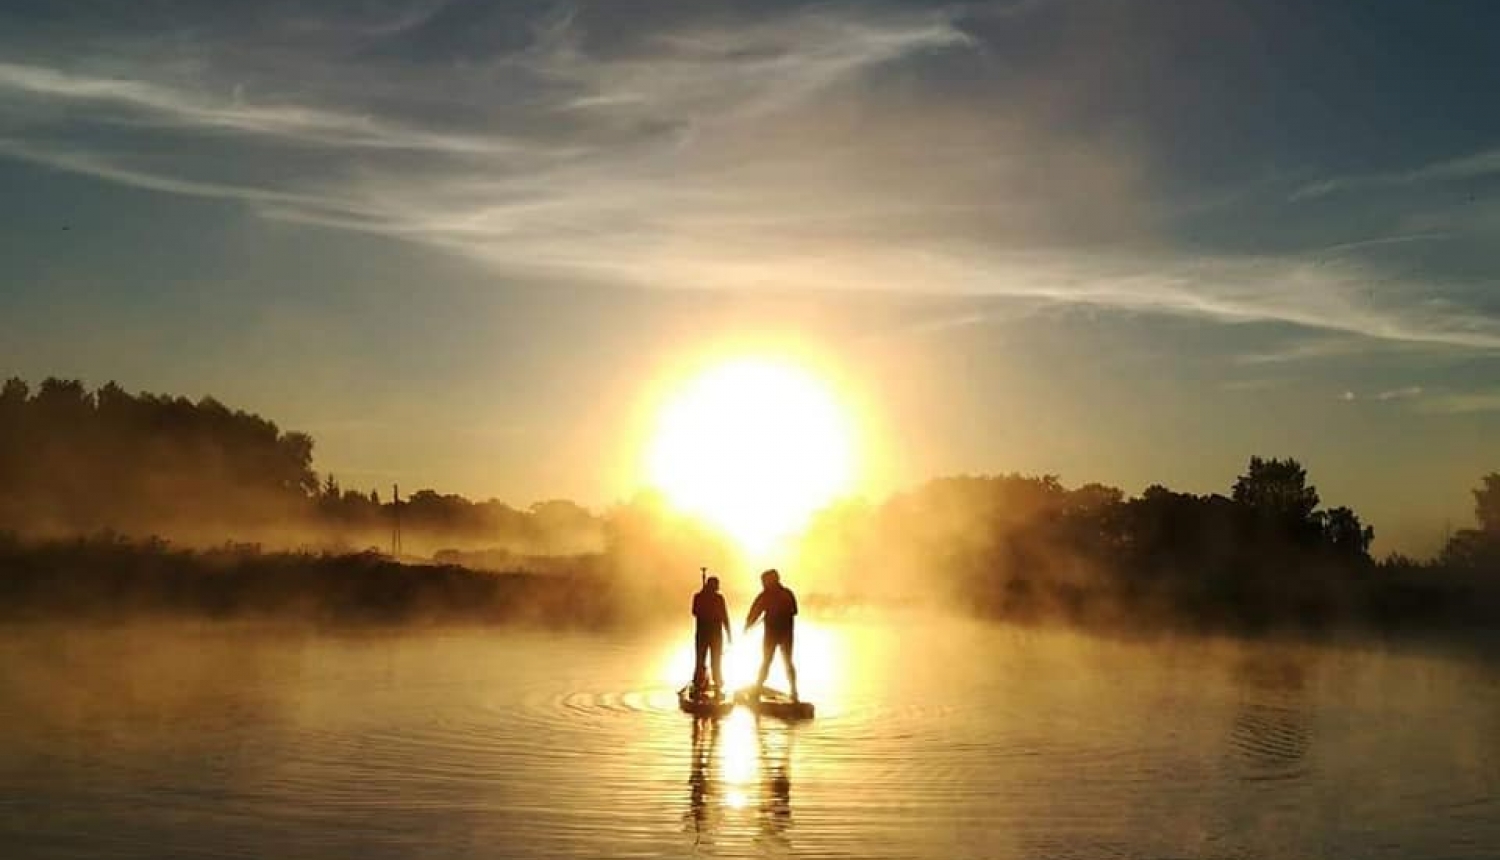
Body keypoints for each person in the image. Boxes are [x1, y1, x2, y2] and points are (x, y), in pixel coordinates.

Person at [745, 568, 799, 702]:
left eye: (764, 581)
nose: (763, 584)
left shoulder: (784, 594)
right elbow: (755, 611)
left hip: (781, 633)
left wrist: (776, 612)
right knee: (769, 662)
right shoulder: (767, 595)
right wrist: (748, 624)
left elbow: (794, 610)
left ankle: (793, 690)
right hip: (776, 633)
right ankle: (759, 688)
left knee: (780, 661)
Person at [691, 575, 732, 695]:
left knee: (715, 660)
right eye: (716, 585)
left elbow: (724, 616)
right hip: (704, 634)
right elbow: (695, 612)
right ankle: (699, 682)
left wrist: (729, 634)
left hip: (714, 635)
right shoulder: (699, 597)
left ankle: (717, 683)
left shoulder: (715, 598)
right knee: (701, 659)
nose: (718, 588)